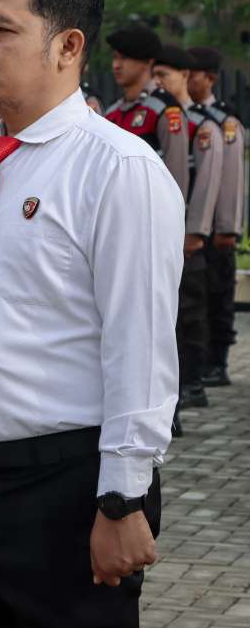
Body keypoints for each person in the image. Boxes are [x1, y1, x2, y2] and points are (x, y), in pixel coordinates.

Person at [0, 0, 181, 628]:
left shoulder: (118, 168)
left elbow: (140, 342)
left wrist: (123, 496)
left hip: (70, 485)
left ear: (68, 46)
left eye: (1, 30)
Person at [154, 44, 223, 414]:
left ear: (184, 75)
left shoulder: (200, 123)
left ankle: (193, 380)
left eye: (165, 75)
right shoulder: (159, 117)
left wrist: (194, 229)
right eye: (156, 74)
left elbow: (205, 181)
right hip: (164, 234)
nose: (158, 82)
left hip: (188, 234)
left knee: (193, 307)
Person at [189, 46, 245, 388]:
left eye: (193, 74)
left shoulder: (225, 121)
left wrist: (228, 226)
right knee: (199, 295)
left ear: (210, 78)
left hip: (216, 226)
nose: (188, 78)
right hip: (197, 220)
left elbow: (231, 179)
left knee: (219, 294)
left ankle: (220, 362)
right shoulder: (187, 116)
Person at [102, 24, 189, 189]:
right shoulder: (112, 112)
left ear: (147, 63)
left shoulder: (165, 110)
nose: (116, 65)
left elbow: (176, 177)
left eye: (124, 58)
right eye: (115, 57)